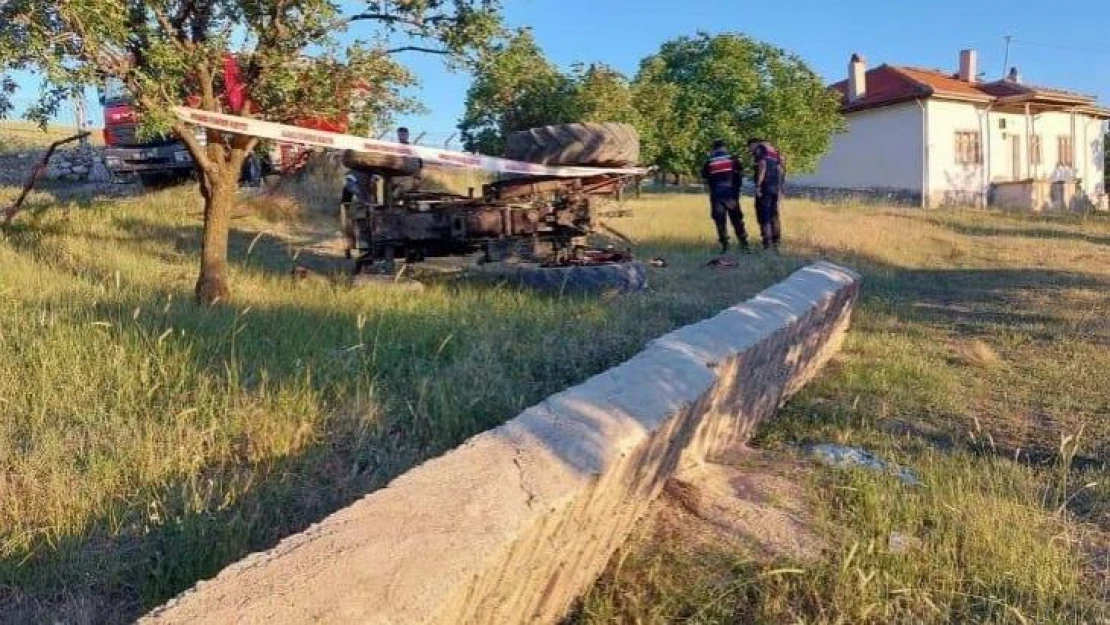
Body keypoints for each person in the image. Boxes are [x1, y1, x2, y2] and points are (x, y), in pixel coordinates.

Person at [700, 139, 749, 254]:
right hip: (731, 195)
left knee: (720, 221)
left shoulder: (709, 161)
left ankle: (725, 246)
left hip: (717, 195)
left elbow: (704, 176)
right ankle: (744, 245)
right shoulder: (733, 159)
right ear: (724, 147)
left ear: (713, 149)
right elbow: (740, 174)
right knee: (737, 220)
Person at [748, 138, 785, 251]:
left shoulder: (760, 149)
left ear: (754, 144)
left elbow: (762, 165)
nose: (750, 150)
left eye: (750, 147)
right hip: (774, 187)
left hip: (765, 187)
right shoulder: (775, 151)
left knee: (764, 215)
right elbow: (780, 170)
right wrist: (780, 188)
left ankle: (767, 244)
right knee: (774, 215)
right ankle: (776, 242)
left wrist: (758, 185)